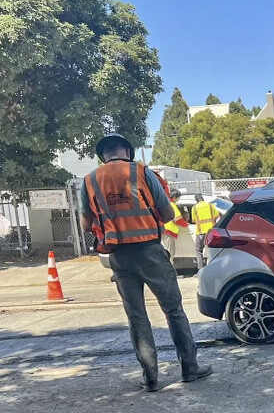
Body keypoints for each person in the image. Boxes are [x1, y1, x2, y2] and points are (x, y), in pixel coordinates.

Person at [80, 133, 212, 392]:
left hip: (118, 256)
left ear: (103, 155)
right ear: (127, 151)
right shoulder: (141, 172)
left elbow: (86, 224)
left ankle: (150, 378)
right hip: (149, 251)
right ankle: (189, 368)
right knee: (173, 310)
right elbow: (168, 213)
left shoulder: (90, 180)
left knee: (137, 316)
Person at [191, 193, 220, 269]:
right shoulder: (210, 205)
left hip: (200, 232)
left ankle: (201, 268)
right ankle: (211, 267)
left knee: (199, 250)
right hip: (210, 232)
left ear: (196, 200)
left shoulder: (194, 208)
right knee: (210, 251)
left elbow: (193, 220)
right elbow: (217, 216)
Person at [162, 189, 188, 265]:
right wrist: (186, 225)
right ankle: (169, 270)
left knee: (169, 251)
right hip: (169, 231)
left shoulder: (167, 204)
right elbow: (178, 219)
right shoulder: (172, 205)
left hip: (166, 230)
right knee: (170, 252)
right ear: (174, 197)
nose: (178, 199)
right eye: (178, 197)